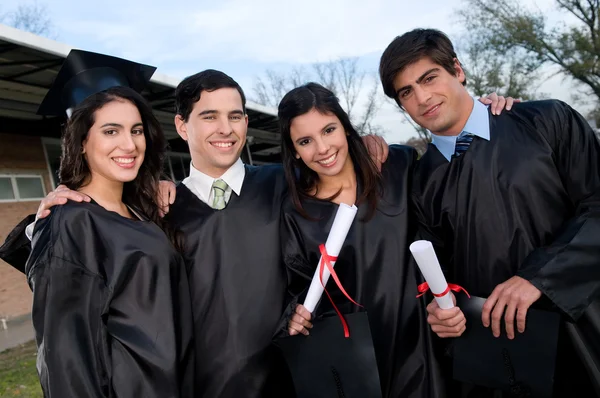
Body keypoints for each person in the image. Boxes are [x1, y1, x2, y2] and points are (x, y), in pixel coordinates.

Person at [379, 28, 600, 397]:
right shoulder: (422, 180)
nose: (422, 97)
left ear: (458, 70)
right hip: (497, 358)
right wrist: (440, 309)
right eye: (406, 92)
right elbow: (437, 271)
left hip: (580, 331)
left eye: (429, 78)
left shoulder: (546, 121)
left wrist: (538, 278)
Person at [19, 50, 195, 397]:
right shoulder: (73, 221)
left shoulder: (141, 211)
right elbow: (65, 360)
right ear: (82, 140)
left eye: (136, 130)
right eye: (111, 131)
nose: (129, 145)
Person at [278, 82, 445, 397]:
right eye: (305, 141)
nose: (323, 148)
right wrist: (293, 313)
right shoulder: (294, 215)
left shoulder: (398, 168)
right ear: (295, 151)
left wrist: (497, 111)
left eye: (329, 130)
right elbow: (292, 289)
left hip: (421, 345)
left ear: (345, 127)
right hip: (353, 362)